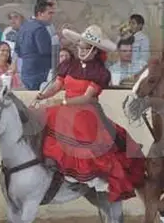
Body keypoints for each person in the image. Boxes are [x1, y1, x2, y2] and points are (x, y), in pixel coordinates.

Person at [32, 24, 145, 203]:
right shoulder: (69, 65)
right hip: (66, 107)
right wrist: (44, 95)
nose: (81, 51)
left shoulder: (100, 72)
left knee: (83, 139)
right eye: (80, 47)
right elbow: (57, 85)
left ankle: (87, 178)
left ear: (95, 51)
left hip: (86, 111)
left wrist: (62, 102)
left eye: (86, 49)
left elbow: (86, 97)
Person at [15, 0, 56, 91]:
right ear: (40, 13)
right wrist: (60, 47)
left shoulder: (24, 26)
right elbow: (45, 50)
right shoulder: (40, 28)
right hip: (40, 73)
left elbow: (18, 50)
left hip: (25, 73)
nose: (52, 16)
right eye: (50, 13)